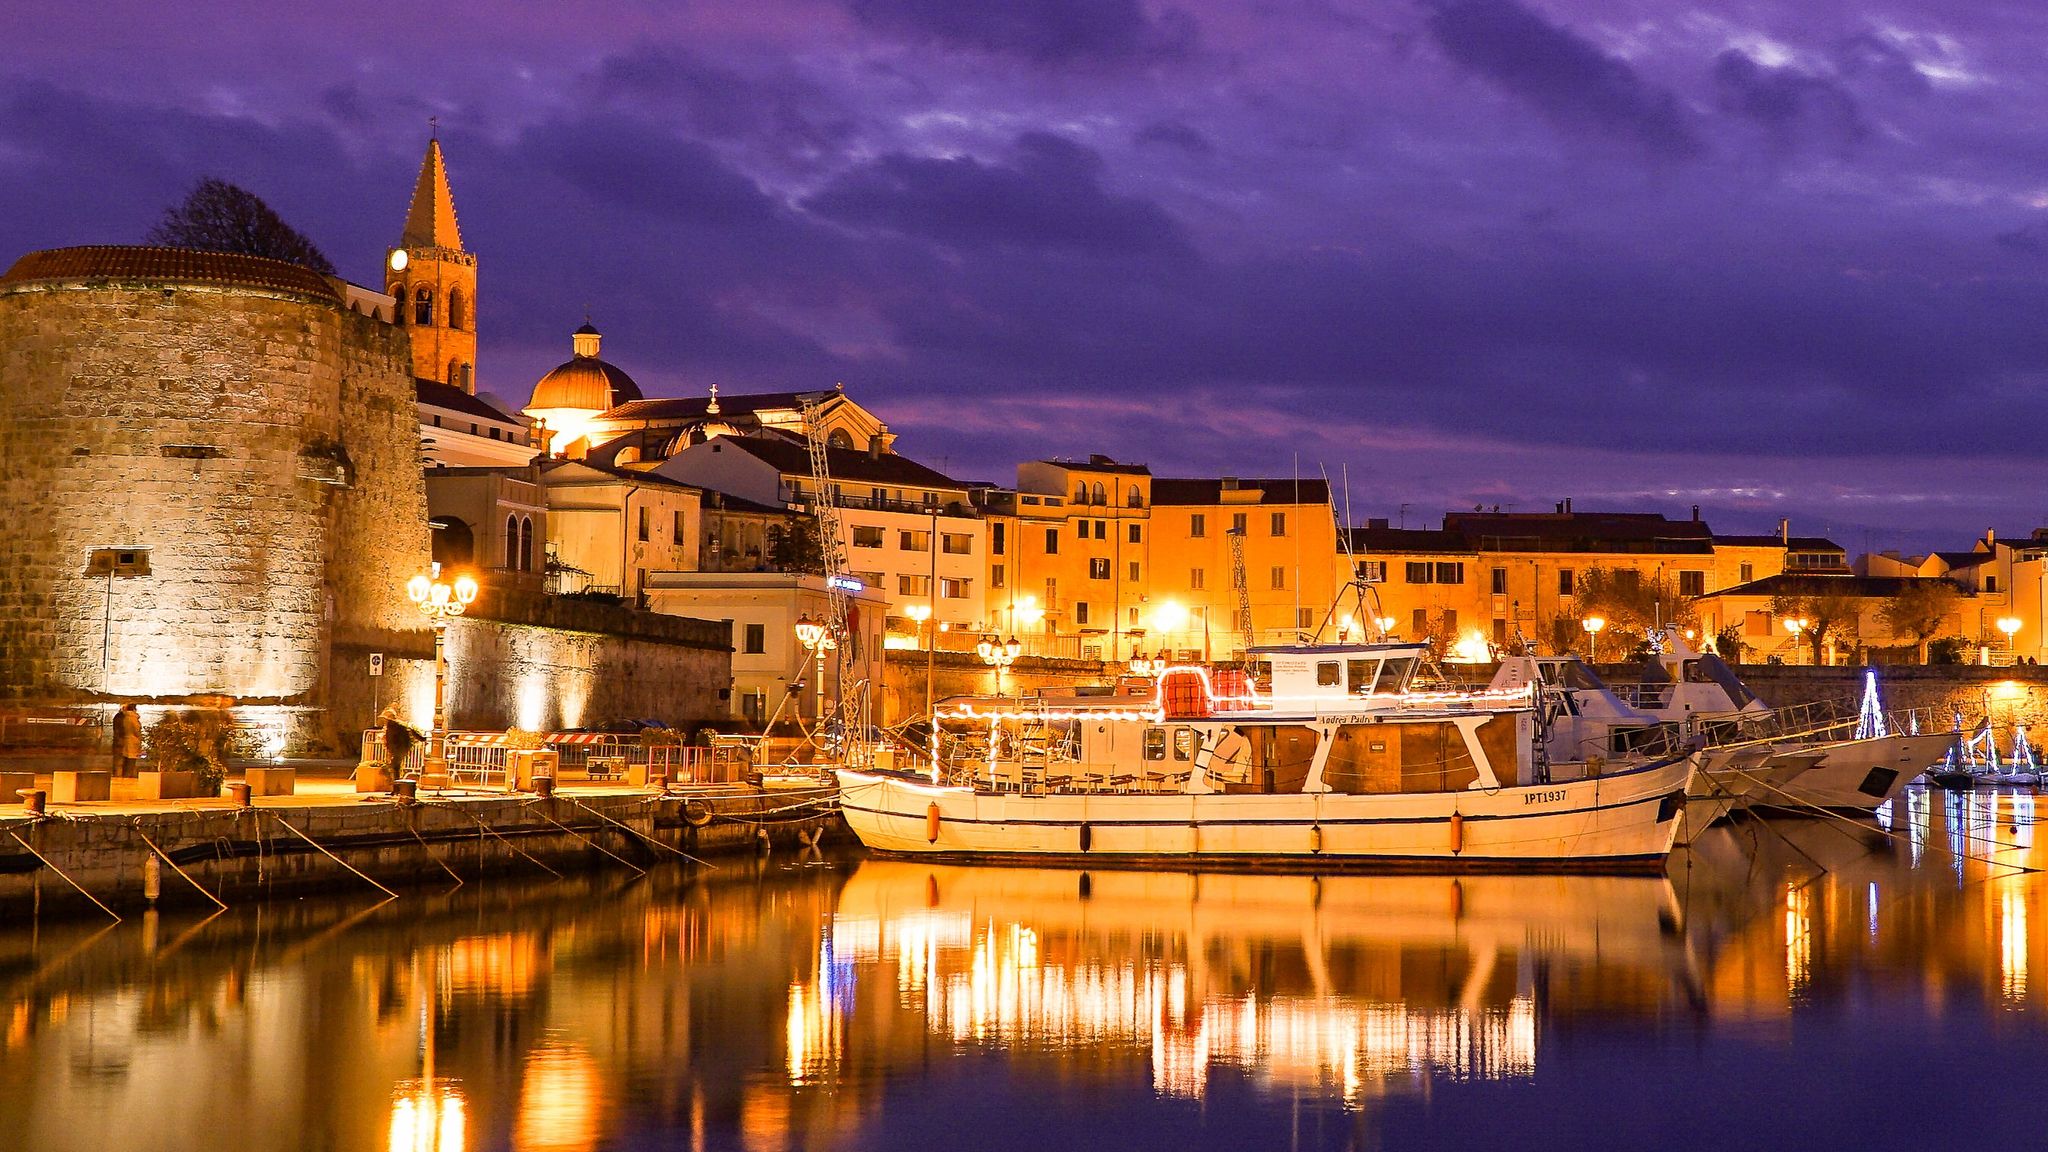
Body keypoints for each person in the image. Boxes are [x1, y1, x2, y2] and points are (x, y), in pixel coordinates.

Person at [381, 706, 422, 775]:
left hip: (398, 748)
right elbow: (411, 731)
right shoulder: (398, 725)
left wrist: (391, 749)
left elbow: (392, 738)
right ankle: (396, 780)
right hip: (400, 748)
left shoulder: (392, 725)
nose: (384, 720)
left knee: (394, 766)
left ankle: (395, 782)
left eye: (385, 718)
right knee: (395, 765)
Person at [111, 703, 143, 778]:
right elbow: (137, 730)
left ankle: (119, 777)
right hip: (132, 742)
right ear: (134, 709)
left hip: (123, 742)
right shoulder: (133, 718)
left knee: (121, 763)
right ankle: (127, 778)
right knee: (130, 762)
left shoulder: (122, 717)